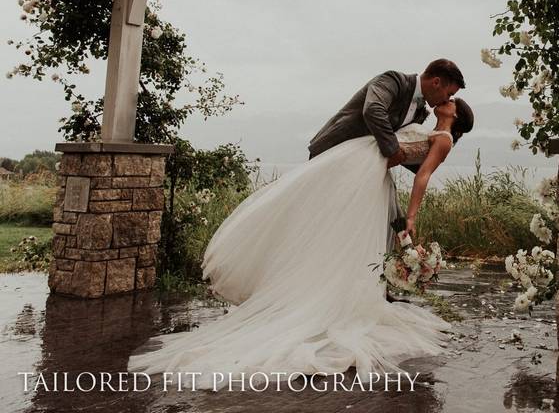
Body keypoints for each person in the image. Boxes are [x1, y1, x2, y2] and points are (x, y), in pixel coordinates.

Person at [125, 60, 474, 390]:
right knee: (310, 225)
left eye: (450, 100)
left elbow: (418, 164)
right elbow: (373, 112)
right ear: (436, 81)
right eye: (448, 92)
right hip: (338, 157)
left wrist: (411, 170)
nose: (447, 99)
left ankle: (331, 292)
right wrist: (394, 151)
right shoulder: (395, 81)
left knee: (336, 236)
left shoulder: (422, 113)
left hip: (365, 173)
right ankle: (297, 288)